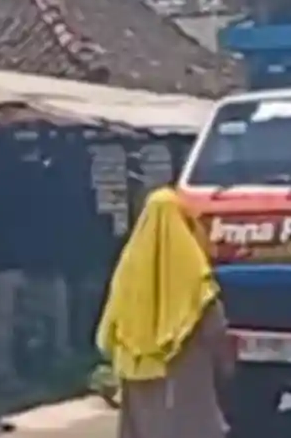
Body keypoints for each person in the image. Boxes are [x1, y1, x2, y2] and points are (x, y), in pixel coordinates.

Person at [96, 187, 233, 438]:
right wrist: (227, 365)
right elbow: (215, 327)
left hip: (137, 375)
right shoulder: (193, 274)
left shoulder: (127, 269)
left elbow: (109, 330)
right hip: (185, 382)